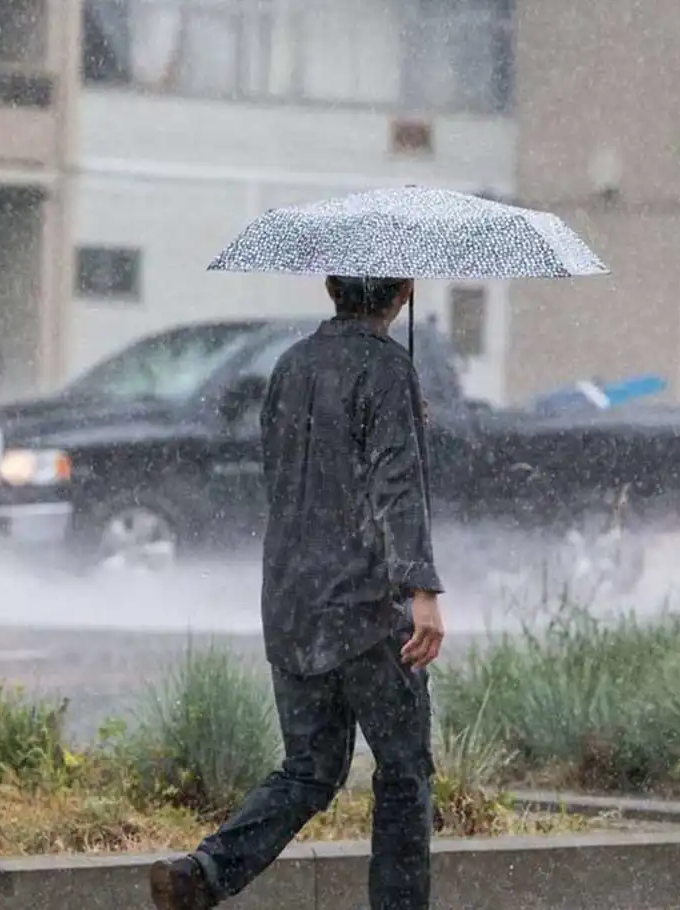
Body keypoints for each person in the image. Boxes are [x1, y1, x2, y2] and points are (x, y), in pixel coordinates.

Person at [149, 276, 446, 910]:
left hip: (291, 601)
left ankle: (204, 872)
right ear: (405, 292)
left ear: (331, 286)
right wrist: (420, 587)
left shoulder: (289, 365)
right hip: (367, 610)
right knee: (403, 774)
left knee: (310, 770)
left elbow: (292, 472)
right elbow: (395, 482)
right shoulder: (389, 368)